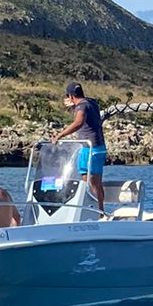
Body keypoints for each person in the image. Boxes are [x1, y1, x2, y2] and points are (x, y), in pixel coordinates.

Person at [53, 80, 107, 213]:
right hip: (94, 148)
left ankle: (98, 212)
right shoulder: (91, 103)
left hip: (90, 149)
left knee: (91, 183)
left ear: (71, 96)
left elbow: (78, 122)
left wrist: (60, 135)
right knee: (92, 183)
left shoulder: (82, 106)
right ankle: (97, 210)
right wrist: (73, 106)